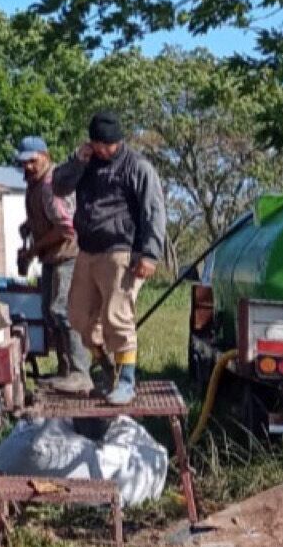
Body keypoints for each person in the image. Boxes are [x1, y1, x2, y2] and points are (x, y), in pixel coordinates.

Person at [52, 112, 168, 406]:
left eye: (108, 145)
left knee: (117, 317)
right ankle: (105, 365)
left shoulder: (137, 167)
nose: (103, 150)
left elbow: (154, 211)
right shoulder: (85, 162)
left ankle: (127, 381)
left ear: (117, 141)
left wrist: (150, 254)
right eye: (98, 144)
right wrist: (78, 161)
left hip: (121, 251)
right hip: (88, 250)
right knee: (77, 315)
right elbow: (58, 186)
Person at [14, 137, 94, 395]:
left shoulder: (50, 184)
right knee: (49, 313)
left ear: (45, 156)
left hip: (67, 255)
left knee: (63, 310)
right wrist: (30, 225)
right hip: (52, 257)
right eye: (23, 162)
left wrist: (33, 250)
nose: (27, 167)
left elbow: (66, 228)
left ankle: (80, 373)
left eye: (32, 161)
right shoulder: (34, 185)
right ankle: (65, 370)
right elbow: (47, 216)